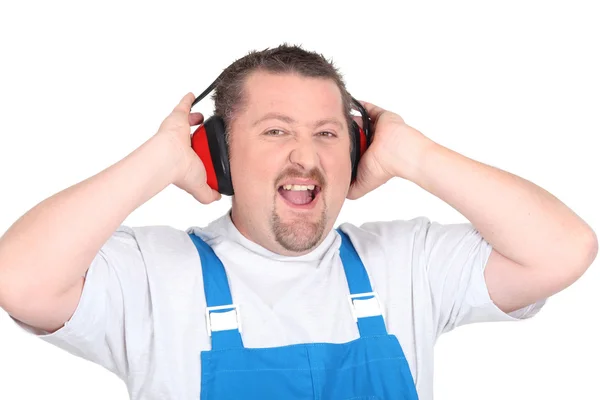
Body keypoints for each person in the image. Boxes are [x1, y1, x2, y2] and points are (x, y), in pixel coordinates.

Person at [0, 43, 596, 400]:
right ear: (219, 153)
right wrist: (155, 162)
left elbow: (564, 249)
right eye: (276, 130)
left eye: (328, 134)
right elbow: (18, 280)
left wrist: (416, 155)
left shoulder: (408, 263)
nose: (306, 156)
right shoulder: (152, 275)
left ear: (359, 150)